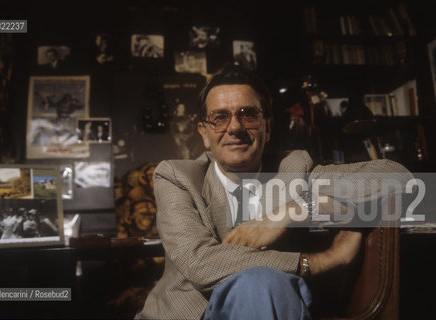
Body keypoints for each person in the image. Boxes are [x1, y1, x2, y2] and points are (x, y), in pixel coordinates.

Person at [136, 64, 411, 320]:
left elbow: (398, 179)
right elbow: (202, 265)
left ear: (267, 128)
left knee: (263, 285)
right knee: (261, 282)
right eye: (220, 117)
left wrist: (297, 209)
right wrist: (319, 261)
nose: (235, 128)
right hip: (190, 315)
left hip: (272, 305)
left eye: (248, 115)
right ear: (205, 134)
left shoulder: (292, 169)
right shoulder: (176, 176)